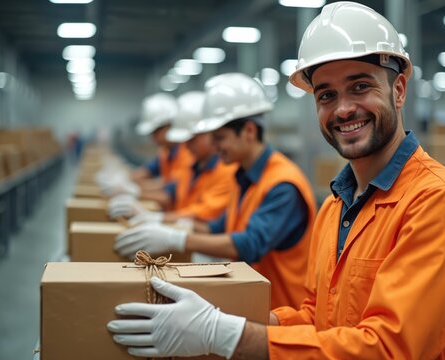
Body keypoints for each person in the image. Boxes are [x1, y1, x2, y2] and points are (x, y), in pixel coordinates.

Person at [107, 3, 445, 359]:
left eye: (360, 86)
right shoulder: (335, 206)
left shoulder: (439, 204)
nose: (344, 108)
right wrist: (224, 316)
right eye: (326, 95)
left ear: (398, 90)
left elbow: (389, 348)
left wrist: (226, 334)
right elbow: (317, 317)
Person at [114, 72, 317, 310]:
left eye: (220, 138)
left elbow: (250, 244)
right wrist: (162, 222)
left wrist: (177, 239)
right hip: (255, 304)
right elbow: (218, 226)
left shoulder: (283, 185)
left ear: (249, 131)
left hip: (283, 317)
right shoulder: (243, 176)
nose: (215, 147)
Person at [109, 91, 236, 223]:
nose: (186, 146)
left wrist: (156, 217)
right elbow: (170, 192)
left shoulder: (227, 171)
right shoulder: (194, 164)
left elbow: (204, 215)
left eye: (192, 139)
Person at [98, 92, 195, 209]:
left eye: (156, 132)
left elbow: (167, 191)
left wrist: (133, 190)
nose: (153, 139)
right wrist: (123, 180)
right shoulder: (165, 152)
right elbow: (146, 172)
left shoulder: (188, 154)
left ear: (171, 125)